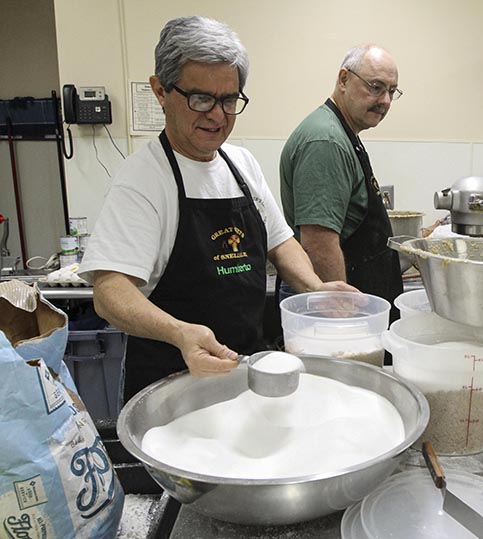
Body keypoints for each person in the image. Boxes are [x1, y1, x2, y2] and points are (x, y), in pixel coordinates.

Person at [78, 16, 356, 401]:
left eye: (228, 100)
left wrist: (316, 289)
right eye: (201, 99)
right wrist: (180, 332)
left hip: (245, 374)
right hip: (173, 388)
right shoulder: (144, 178)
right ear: (160, 91)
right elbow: (109, 293)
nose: (217, 115)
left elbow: (282, 241)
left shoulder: (240, 163)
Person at [278, 44, 404, 316]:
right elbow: (318, 243)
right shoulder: (326, 140)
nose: (385, 100)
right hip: (333, 304)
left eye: (391, 91)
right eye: (375, 86)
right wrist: (343, 317)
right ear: (344, 79)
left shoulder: (344, 133)